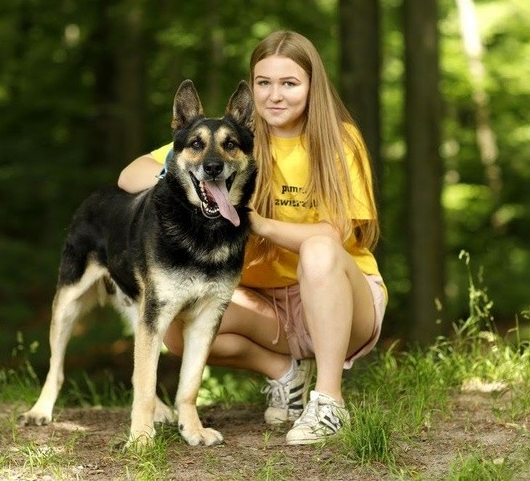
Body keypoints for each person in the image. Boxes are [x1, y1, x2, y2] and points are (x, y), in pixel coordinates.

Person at [117, 30, 387, 445]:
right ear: (252, 87)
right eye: (264, 83)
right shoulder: (230, 141)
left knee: (319, 248)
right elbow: (129, 175)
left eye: (290, 83)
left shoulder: (338, 140)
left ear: (313, 85)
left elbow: (338, 234)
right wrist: (181, 176)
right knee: (175, 330)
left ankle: (329, 402)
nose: (275, 95)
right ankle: (285, 373)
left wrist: (254, 221)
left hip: (342, 297)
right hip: (264, 307)